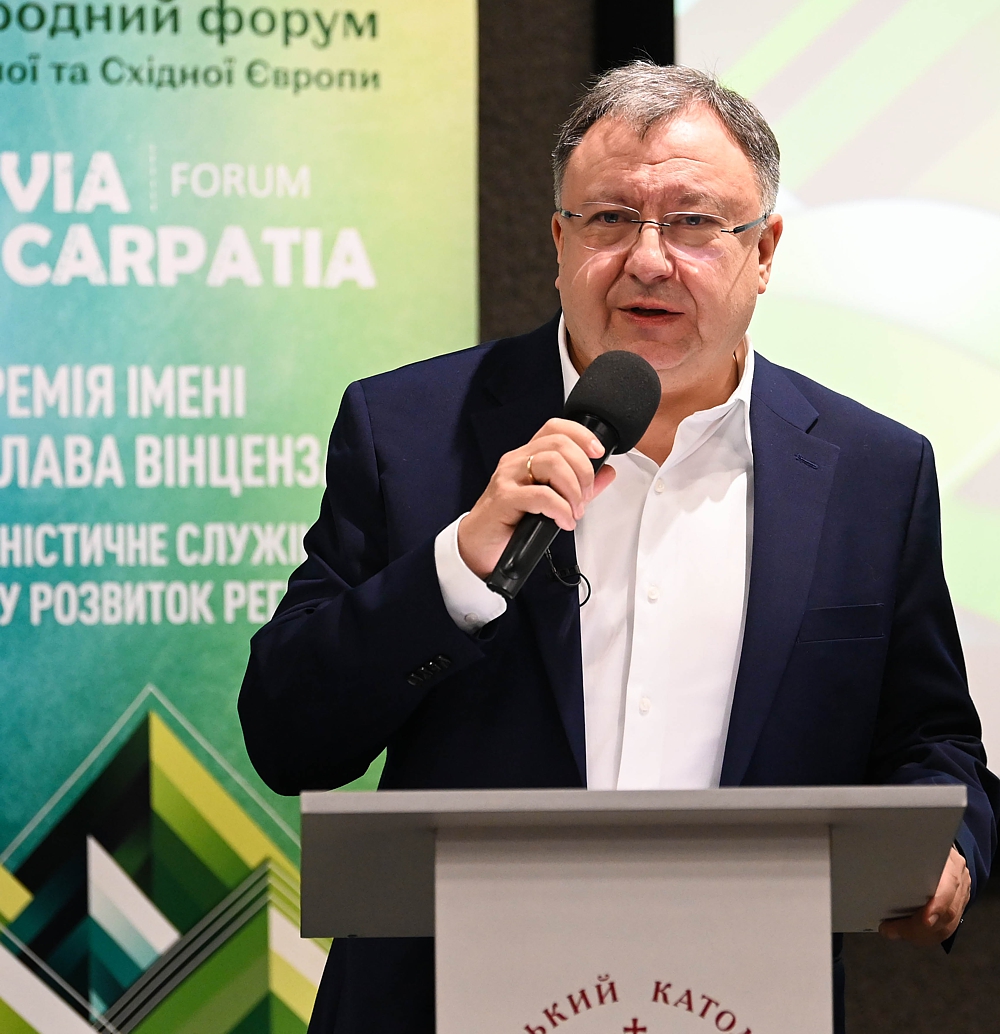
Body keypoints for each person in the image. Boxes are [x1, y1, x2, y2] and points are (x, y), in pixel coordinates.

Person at [238, 63, 998, 1034]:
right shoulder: (412, 430)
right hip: (444, 1002)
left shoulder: (872, 472)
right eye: (608, 220)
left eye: (692, 223)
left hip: (741, 999)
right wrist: (456, 568)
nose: (648, 259)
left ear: (763, 251)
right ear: (559, 243)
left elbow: (931, 739)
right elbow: (287, 735)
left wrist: (951, 846)